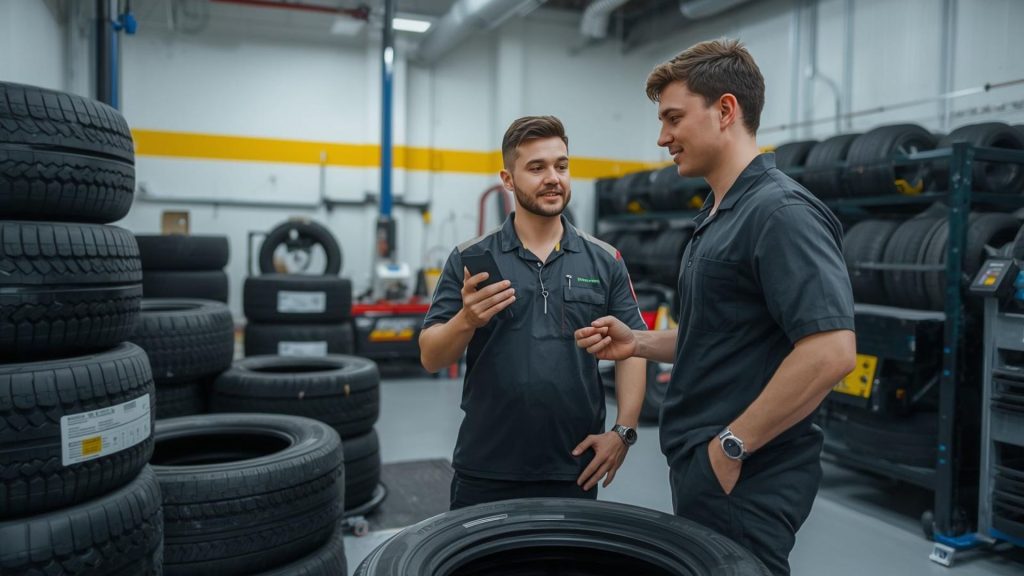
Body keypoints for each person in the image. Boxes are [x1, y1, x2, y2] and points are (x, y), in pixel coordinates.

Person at [575, 39, 857, 575]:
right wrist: (637, 342)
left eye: (674, 118)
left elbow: (831, 351)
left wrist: (731, 446)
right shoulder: (720, 213)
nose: (663, 138)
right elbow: (720, 334)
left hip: (744, 471)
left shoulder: (780, 213)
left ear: (726, 110)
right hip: (704, 464)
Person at [420, 115, 648, 510]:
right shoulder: (472, 258)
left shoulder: (605, 260)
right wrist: (466, 321)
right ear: (508, 180)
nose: (553, 178)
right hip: (485, 468)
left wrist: (623, 431)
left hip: (573, 468)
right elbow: (430, 355)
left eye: (561, 166)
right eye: (536, 167)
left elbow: (634, 348)